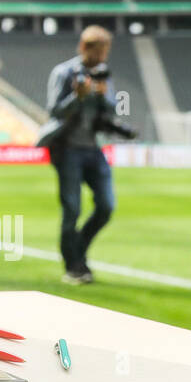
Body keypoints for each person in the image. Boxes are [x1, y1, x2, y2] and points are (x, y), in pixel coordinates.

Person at [42, 26, 128, 284]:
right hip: (67, 149)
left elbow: (113, 110)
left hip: (93, 147)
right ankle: (73, 266)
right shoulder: (64, 72)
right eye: (98, 51)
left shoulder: (103, 75)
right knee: (72, 209)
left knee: (106, 206)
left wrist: (104, 97)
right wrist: (76, 98)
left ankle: (78, 248)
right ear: (84, 48)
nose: (102, 57)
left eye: (105, 52)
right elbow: (54, 111)